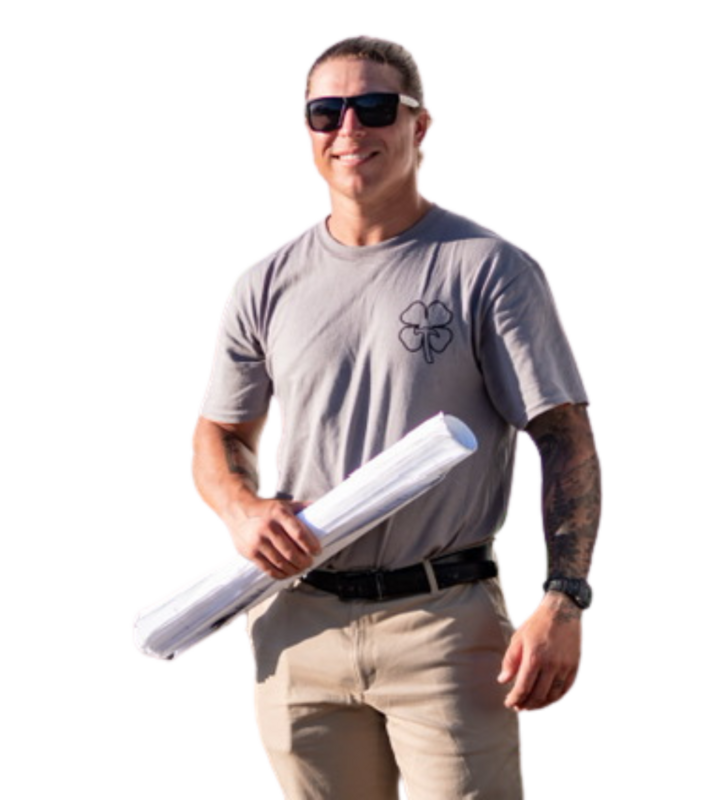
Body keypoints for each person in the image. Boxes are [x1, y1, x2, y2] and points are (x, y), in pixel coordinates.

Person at [189, 33, 602, 800]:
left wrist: (563, 598)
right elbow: (217, 433)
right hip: (295, 626)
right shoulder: (263, 282)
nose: (350, 130)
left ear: (422, 126)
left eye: (375, 107)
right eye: (326, 112)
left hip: (443, 626)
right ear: (307, 131)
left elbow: (563, 433)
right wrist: (242, 509)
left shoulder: (490, 268)